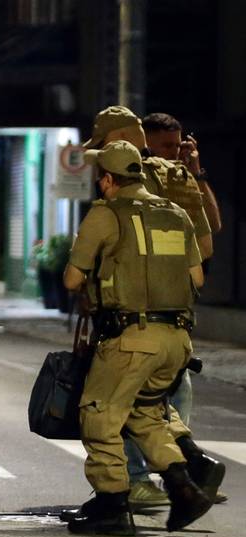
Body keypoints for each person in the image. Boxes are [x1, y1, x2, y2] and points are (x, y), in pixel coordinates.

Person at [61, 141, 212, 536]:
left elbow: (72, 279)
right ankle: (184, 489)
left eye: (101, 180)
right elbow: (197, 278)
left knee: (99, 414)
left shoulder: (105, 214)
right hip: (177, 340)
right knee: (144, 414)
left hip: (130, 337)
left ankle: (111, 502)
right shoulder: (176, 213)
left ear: (108, 180)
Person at [82, 106, 225, 508]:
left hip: (132, 314)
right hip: (175, 314)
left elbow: (98, 253)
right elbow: (208, 238)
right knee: (156, 401)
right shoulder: (177, 179)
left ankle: (136, 482)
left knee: (110, 406)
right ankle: (190, 467)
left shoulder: (131, 179)